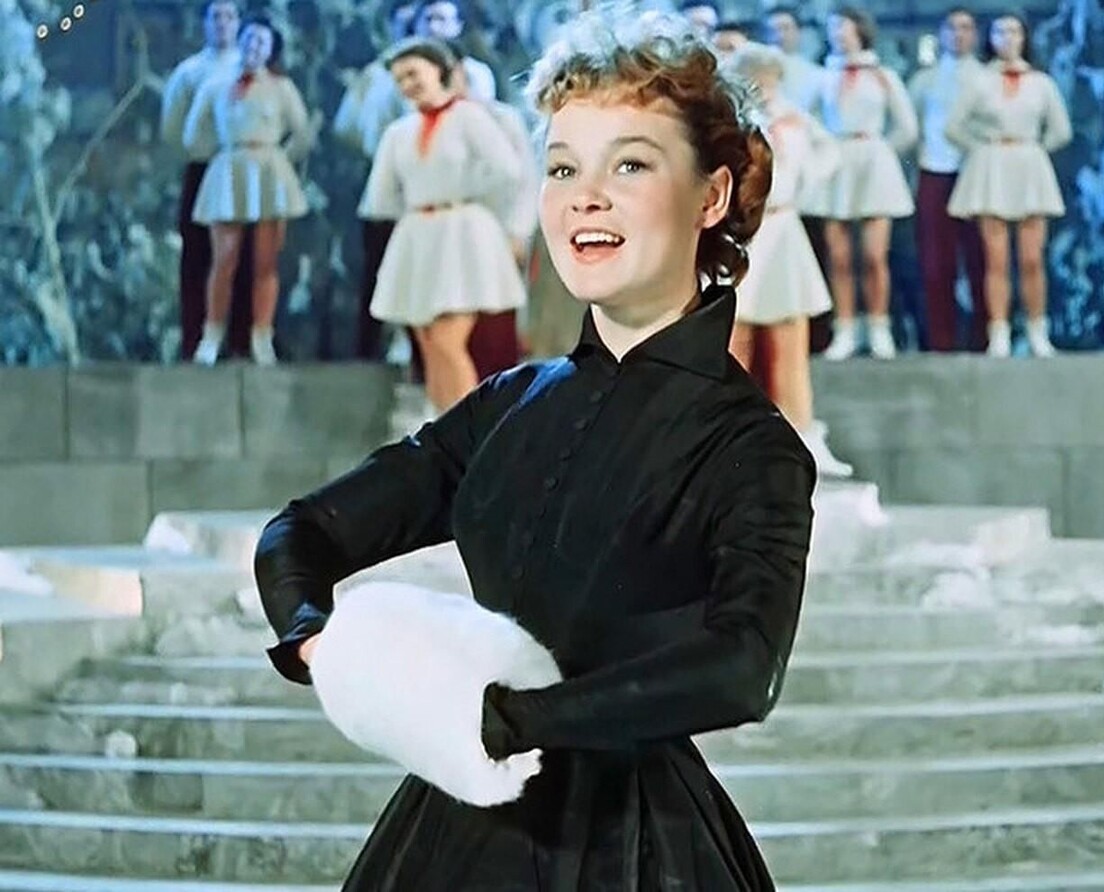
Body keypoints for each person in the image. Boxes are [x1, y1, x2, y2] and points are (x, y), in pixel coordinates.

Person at [254, 10, 814, 889]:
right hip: (454, 826)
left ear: (711, 197)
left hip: (638, 847)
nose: (584, 196)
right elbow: (301, 533)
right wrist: (321, 645)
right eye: (562, 167)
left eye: (630, 164)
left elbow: (743, 670)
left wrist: (509, 721)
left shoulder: (751, 445)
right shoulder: (509, 405)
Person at [358, 38, 526, 412]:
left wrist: (463, 193)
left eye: (413, 73)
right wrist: (417, 205)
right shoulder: (399, 132)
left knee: (449, 339)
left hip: (462, 234)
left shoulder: (469, 117)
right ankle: (441, 426)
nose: (407, 84)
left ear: (439, 71)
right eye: (400, 79)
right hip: (420, 235)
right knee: (430, 341)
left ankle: (469, 430)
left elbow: (507, 170)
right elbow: (380, 197)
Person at [727, 42, 851, 478]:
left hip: (784, 228)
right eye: (757, 78)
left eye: (771, 78)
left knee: (789, 336)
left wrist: (804, 184)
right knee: (734, 336)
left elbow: (828, 153)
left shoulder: (793, 118)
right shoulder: (730, 120)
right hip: (744, 232)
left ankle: (801, 435)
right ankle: (727, 440)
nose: (765, 86)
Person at [184, 16, 312, 365]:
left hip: (268, 172)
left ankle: (262, 335)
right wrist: (222, 155)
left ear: (270, 50)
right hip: (230, 171)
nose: (254, 47)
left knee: (265, 262)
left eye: (262, 43)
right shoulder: (215, 84)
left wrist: (278, 160)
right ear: (240, 40)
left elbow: (302, 132)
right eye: (250, 39)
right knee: (223, 258)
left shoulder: (281, 87)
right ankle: (211, 334)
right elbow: (194, 132)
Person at [946, 12, 1072, 357]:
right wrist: (982, 148)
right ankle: (998, 332)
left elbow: (1061, 130)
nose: (1008, 38)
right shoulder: (979, 82)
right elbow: (953, 127)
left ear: (1025, 38)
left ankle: (1037, 330)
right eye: (1000, 32)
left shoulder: (1041, 83)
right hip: (993, 170)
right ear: (990, 39)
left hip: (1029, 168)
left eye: (1014, 31)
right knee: (996, 259)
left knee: (1032, 258)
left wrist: (1035, 150)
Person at [809, 6, 918, 360]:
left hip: (873, 163)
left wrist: (881, 151)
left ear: (859, 29)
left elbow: (907, 127)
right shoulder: (823, 77)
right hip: (837, 164)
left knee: (874, 255)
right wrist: (825, 151)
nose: (837, 33)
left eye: (843, 26)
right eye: (832, 28)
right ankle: (845, 329)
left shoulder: (883, 76)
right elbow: (808, 122)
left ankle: (878, 327)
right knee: (839, 256)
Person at [160, 0, 253, 361]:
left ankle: (241, 341)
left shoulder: (252, 69)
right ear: (204, 23)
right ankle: (194, 338)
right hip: (203, 169)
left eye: (230, 17)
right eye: (216, 17)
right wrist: (201, 151)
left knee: (245, 256)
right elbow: (173, 127)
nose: (223, 24)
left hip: (244, 172)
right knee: (197, 256)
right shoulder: (189, 72)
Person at [334, 1, 414, 360]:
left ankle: (408, 338)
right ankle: (373, 343)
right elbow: (346, 126)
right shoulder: (376, 75)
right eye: (402, 24)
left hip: (423, 182)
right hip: (384, 178)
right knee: (379, 263)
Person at [908, 7, 987, 352]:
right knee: (936, 262)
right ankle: (942, 340)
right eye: (952, 27)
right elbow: (912, 129)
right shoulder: (924, 80)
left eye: (966, 27)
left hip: (980, 173)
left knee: (982, 259)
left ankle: (985, 337)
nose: (958, 34)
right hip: (935, 172)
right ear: (941, 34)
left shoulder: (987, 78)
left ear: (976, 35)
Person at [410, 0, 497, 101]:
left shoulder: (475, 72)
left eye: (441, 19)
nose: (433, 27)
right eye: (428, 19)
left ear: (458, 26)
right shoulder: (405, 74)